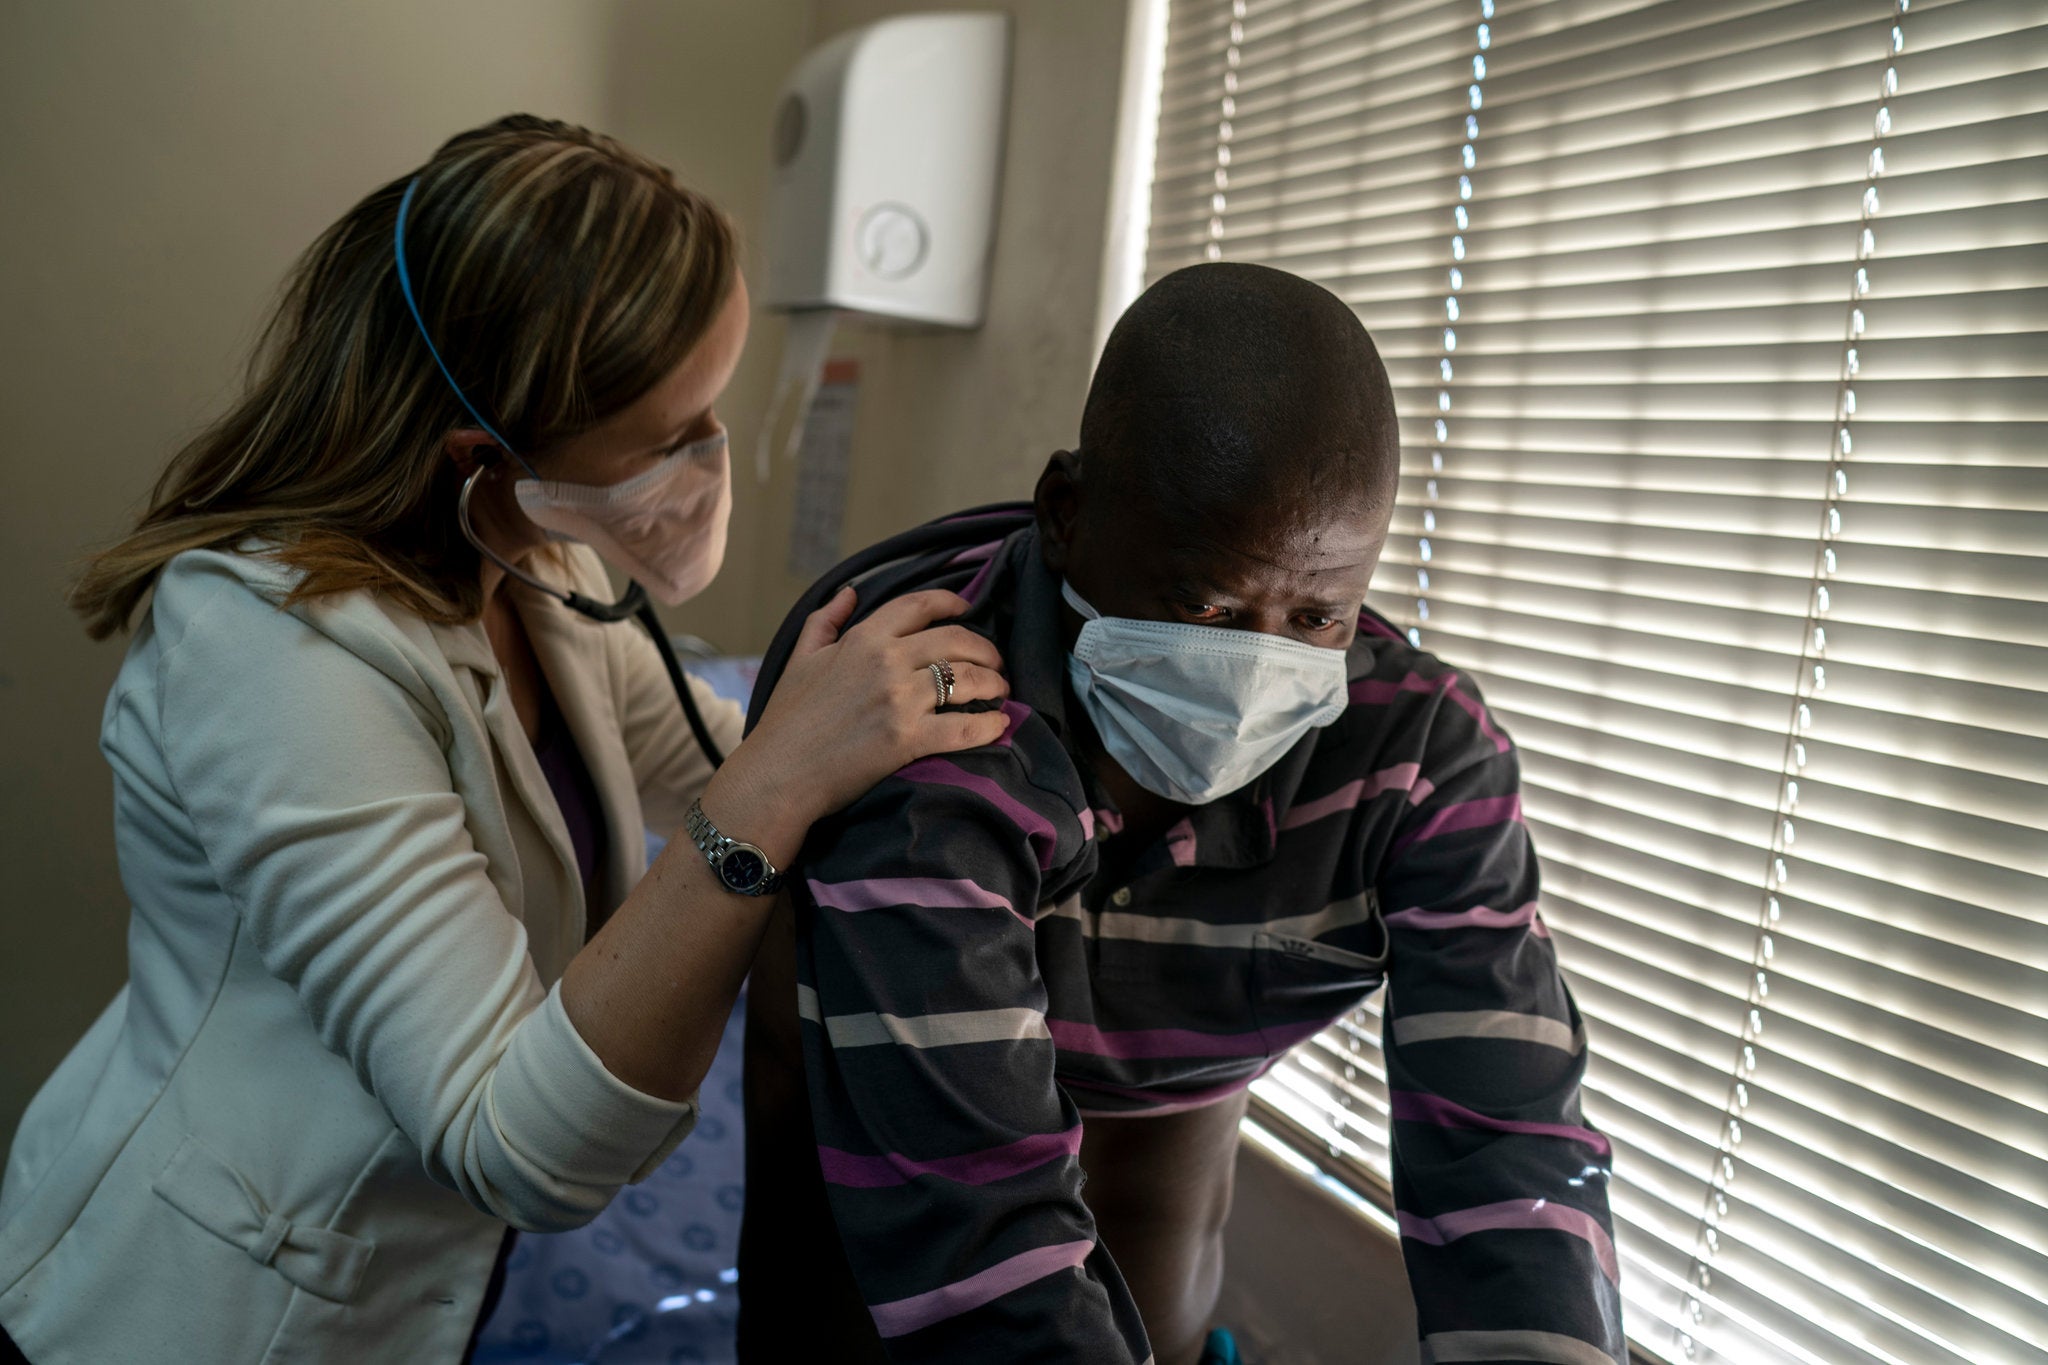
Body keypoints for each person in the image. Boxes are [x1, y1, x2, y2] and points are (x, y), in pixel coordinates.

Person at [0, 115, 1012, 1365]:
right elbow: (514, 1143)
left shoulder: (534, 568)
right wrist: (775, 787)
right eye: (671, 435)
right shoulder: (273, 655)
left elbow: (720, 753)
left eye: (716, 414)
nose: (709, 464)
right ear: (484, 455)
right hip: (204, 1313)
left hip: (412, 1297)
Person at [737, 263, 1626, 1365]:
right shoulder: (917, 732)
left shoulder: (1411, 763)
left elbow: (1511, 1150)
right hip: (883, 1280)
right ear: (1064, 514)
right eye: (1203, 604)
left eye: (1313, 614)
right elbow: (974, 1240)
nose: (1252, 668)